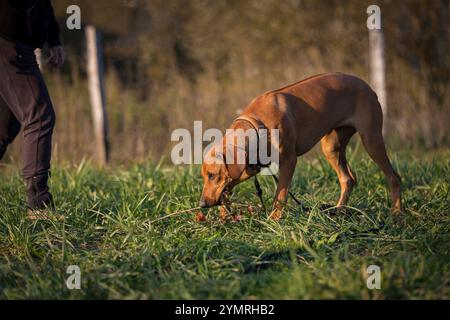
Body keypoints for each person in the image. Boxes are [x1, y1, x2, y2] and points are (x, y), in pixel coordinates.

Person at [0, 0, 64, 218]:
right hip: (9, 42)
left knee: (5, 127)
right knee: (39, 117)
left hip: (17, 44)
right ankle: (39, 204)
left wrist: (53, 39)